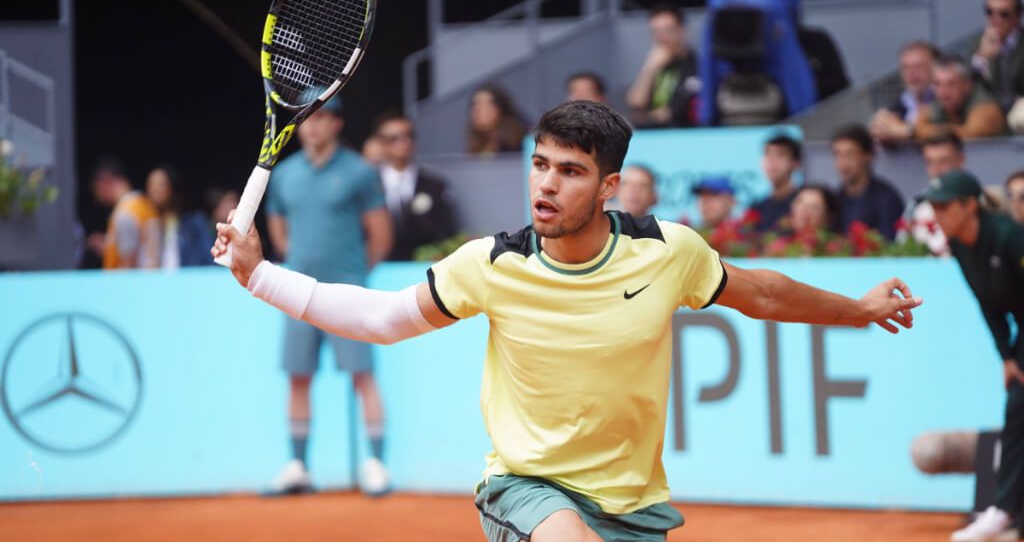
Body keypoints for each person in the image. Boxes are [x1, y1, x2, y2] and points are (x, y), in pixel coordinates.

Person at [214, 100, 921, 542]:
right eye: (540, 165)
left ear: (609, 186)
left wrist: (857, 311)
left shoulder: (667, 253)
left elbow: (761, 293)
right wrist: (259, 273)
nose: (547, 184)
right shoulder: (493, 264)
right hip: (525, 490)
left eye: (571, 172)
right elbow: (383, 317)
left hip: (634, 507)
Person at [262, 96, 394, 495]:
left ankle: (376, 465)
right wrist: (299, 269)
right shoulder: (284, 175)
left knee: (362, 376)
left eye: (320, 118)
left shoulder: (360, 173)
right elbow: (279, 233)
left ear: (337, 123)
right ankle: (298, 466)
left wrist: (351, 276)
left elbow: (381, 236)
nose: (311, 127)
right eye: (305, 120)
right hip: (296, 295)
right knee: (297, 377)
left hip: (348, 293)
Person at [923, 170, 1024, 542]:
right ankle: (1005, 513)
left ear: (970, 206)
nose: (937, 213)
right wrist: (1007, 357)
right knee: (1018, 410)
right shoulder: (961, 246)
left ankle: (1004, 513)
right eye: (934, 206)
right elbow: (987, 303)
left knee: (1018, 409)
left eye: (945, 205)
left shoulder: (1011, 236)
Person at [375, 112, 457, 261]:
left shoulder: (435, 186)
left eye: (409, 136)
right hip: (376, 269)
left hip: (422, 268)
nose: (404, 142)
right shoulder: (368, 184)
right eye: (394, 138)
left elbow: (446, 233)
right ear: (381, 144)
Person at [627, 4, 699, 128]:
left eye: (668, 30)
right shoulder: (655, 64)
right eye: (656, 32)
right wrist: (649, 68)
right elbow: (636, 103)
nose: (662, 37)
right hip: (651, 137)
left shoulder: (696, 66)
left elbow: (670, 113)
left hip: (686, 135)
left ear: (682, 31)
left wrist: (646, 117)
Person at [831, 124, 905, 240]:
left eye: (849, 154)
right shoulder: (836, 199)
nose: (842, 162)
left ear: (868, 156)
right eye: (837, 155)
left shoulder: (886, 199)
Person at [91, 158, 161, 270]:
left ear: (106, 182)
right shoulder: (143, 204)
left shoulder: (125, 212)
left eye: (97, 189)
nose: (97, 196)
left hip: (134, 285)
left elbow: (128, 264)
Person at [915, 55, 1006, 141]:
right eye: (937, 84)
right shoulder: (940, 102)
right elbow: (918, 128)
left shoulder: (986, 105)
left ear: (967, 84)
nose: (943, 92)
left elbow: (970, 134)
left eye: (951, 84)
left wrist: (925, 130)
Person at [904, 133, 967, 257]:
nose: (936, 170)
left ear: (961, 160)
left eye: (943, 161)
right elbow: (903, 249)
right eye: (930, 162)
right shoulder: (916, 205)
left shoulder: (981, 203)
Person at [145, 166, 213, 269]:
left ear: (172, 187)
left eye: (161, 184)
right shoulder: (145, 223)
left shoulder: (193, 223)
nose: (155, 189)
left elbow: (209, 257)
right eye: (151, 184)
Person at [870, 41, 937, 144]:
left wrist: (906, 130)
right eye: (906, 67)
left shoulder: (947, 99)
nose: (911, 73)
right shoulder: (897, 107)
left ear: (935, 68)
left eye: (918, 66)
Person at [972, 0, 1024, 113]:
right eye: (989, 12)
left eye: (1004, 14)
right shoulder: (978, 41)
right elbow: (966, 83)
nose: (995, 19)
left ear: (1017, 16)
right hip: (992, 112)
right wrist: (981, 58)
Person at [748, 134, 802, 232]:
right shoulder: (757, 208)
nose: (772, 161)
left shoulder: (803, 204)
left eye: (780, 155)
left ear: (795, 163)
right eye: (767, 154)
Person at [466, 83, 529, 156]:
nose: (479, 109)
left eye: (487, 104)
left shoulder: (520, 142)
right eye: (475, 104)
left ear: (501, 109)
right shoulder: (476, 145)